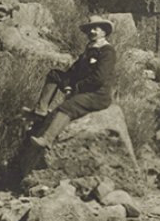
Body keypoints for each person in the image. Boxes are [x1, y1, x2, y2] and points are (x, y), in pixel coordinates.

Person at [27, 15, 117, 149]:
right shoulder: (90, 48)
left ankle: (47, 139)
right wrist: (68, 82)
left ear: (104, 32)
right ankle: (41, 110)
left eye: (95, 29)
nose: (91, 32)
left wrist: (76, 88)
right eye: (90, 29)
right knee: (55, 75)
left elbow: (99, 78)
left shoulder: (107, 51)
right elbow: (75, 69)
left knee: (68, 106)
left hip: (98, 94)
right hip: (84, 88)